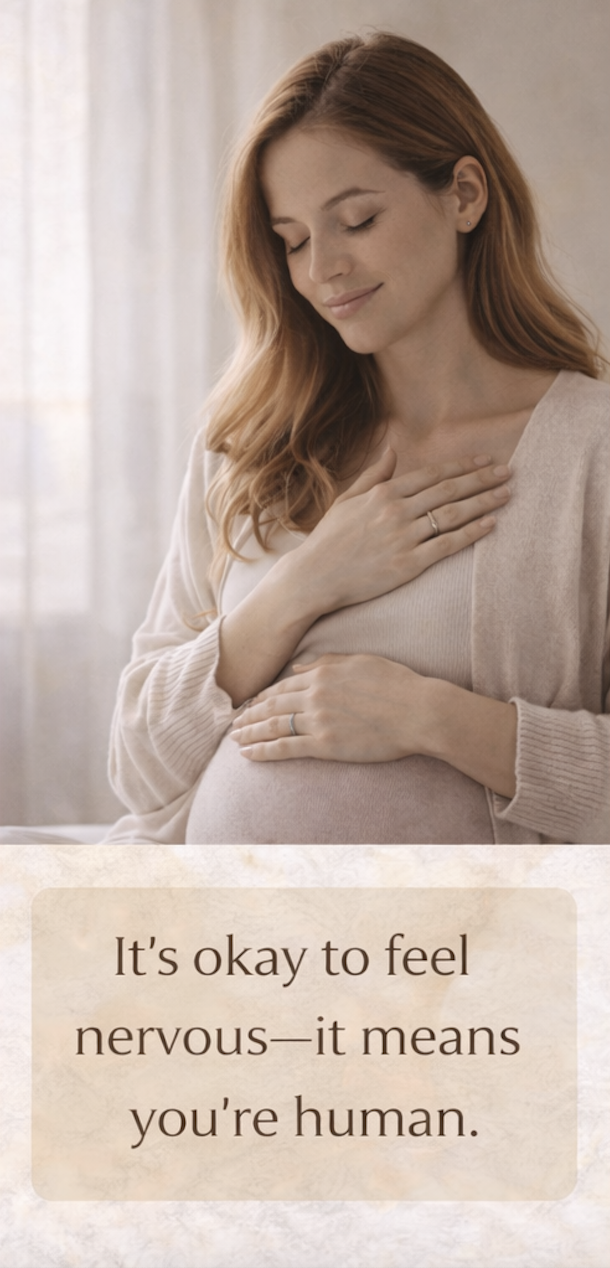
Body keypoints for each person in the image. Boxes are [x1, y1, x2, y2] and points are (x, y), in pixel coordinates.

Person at [105, 32, 609, 846]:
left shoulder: (590, 453)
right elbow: (137, 767)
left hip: (471, 960)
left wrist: (433, 718)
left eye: (358, 220)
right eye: (294, 240)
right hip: (215, 948)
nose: (322, 271)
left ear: (465, 195)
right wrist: (304, 582)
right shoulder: (249, 443)